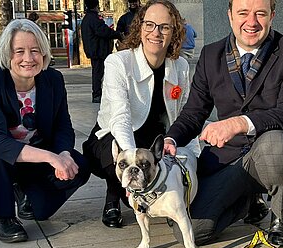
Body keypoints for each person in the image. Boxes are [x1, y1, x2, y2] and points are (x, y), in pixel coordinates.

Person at [163, 0, 283, 247]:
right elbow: (194, 111)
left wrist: (239, 123)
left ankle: (281, 217)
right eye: (243, 13)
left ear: (272, 15)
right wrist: (172, 139)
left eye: (260, 14)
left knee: (276, 142)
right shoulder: (211, 55)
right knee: (192, 232)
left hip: (273, 152)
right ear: (230, 15)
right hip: (229, 158)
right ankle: (248, 201)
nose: (251, 22)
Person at [0, 19, 91, 243]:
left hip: (33, 156)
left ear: (44, 54)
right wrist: (51, 157)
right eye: (20, 51)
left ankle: (31, 198)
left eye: (35, 50)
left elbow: (63, 126)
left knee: (79, 165)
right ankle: (3, 216)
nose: (28, 58)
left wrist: (63, 154)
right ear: (8, 54)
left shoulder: (53, 80)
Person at [82, 0, 199, 228]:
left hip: (154, 137)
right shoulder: (118, 62)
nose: (156, 32)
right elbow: (120, 117)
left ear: (174, 32)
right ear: (140, 27)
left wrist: (190, 154)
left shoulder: (181, 66)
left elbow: (185, 113)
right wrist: (130, 161)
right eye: (150, 25)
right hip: (114, 136)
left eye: (164, 27)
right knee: (125, 167)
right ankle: (113, 197)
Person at [81, 0, 122, 103]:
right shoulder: (94, 19)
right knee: (98, 73)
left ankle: (97, 93)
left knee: (97, 72)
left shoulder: (87, 18)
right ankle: (97, 94)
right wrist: (117, 34)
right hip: (98, 50)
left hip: (94, 50)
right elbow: (103, 31)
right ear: (96, 5)